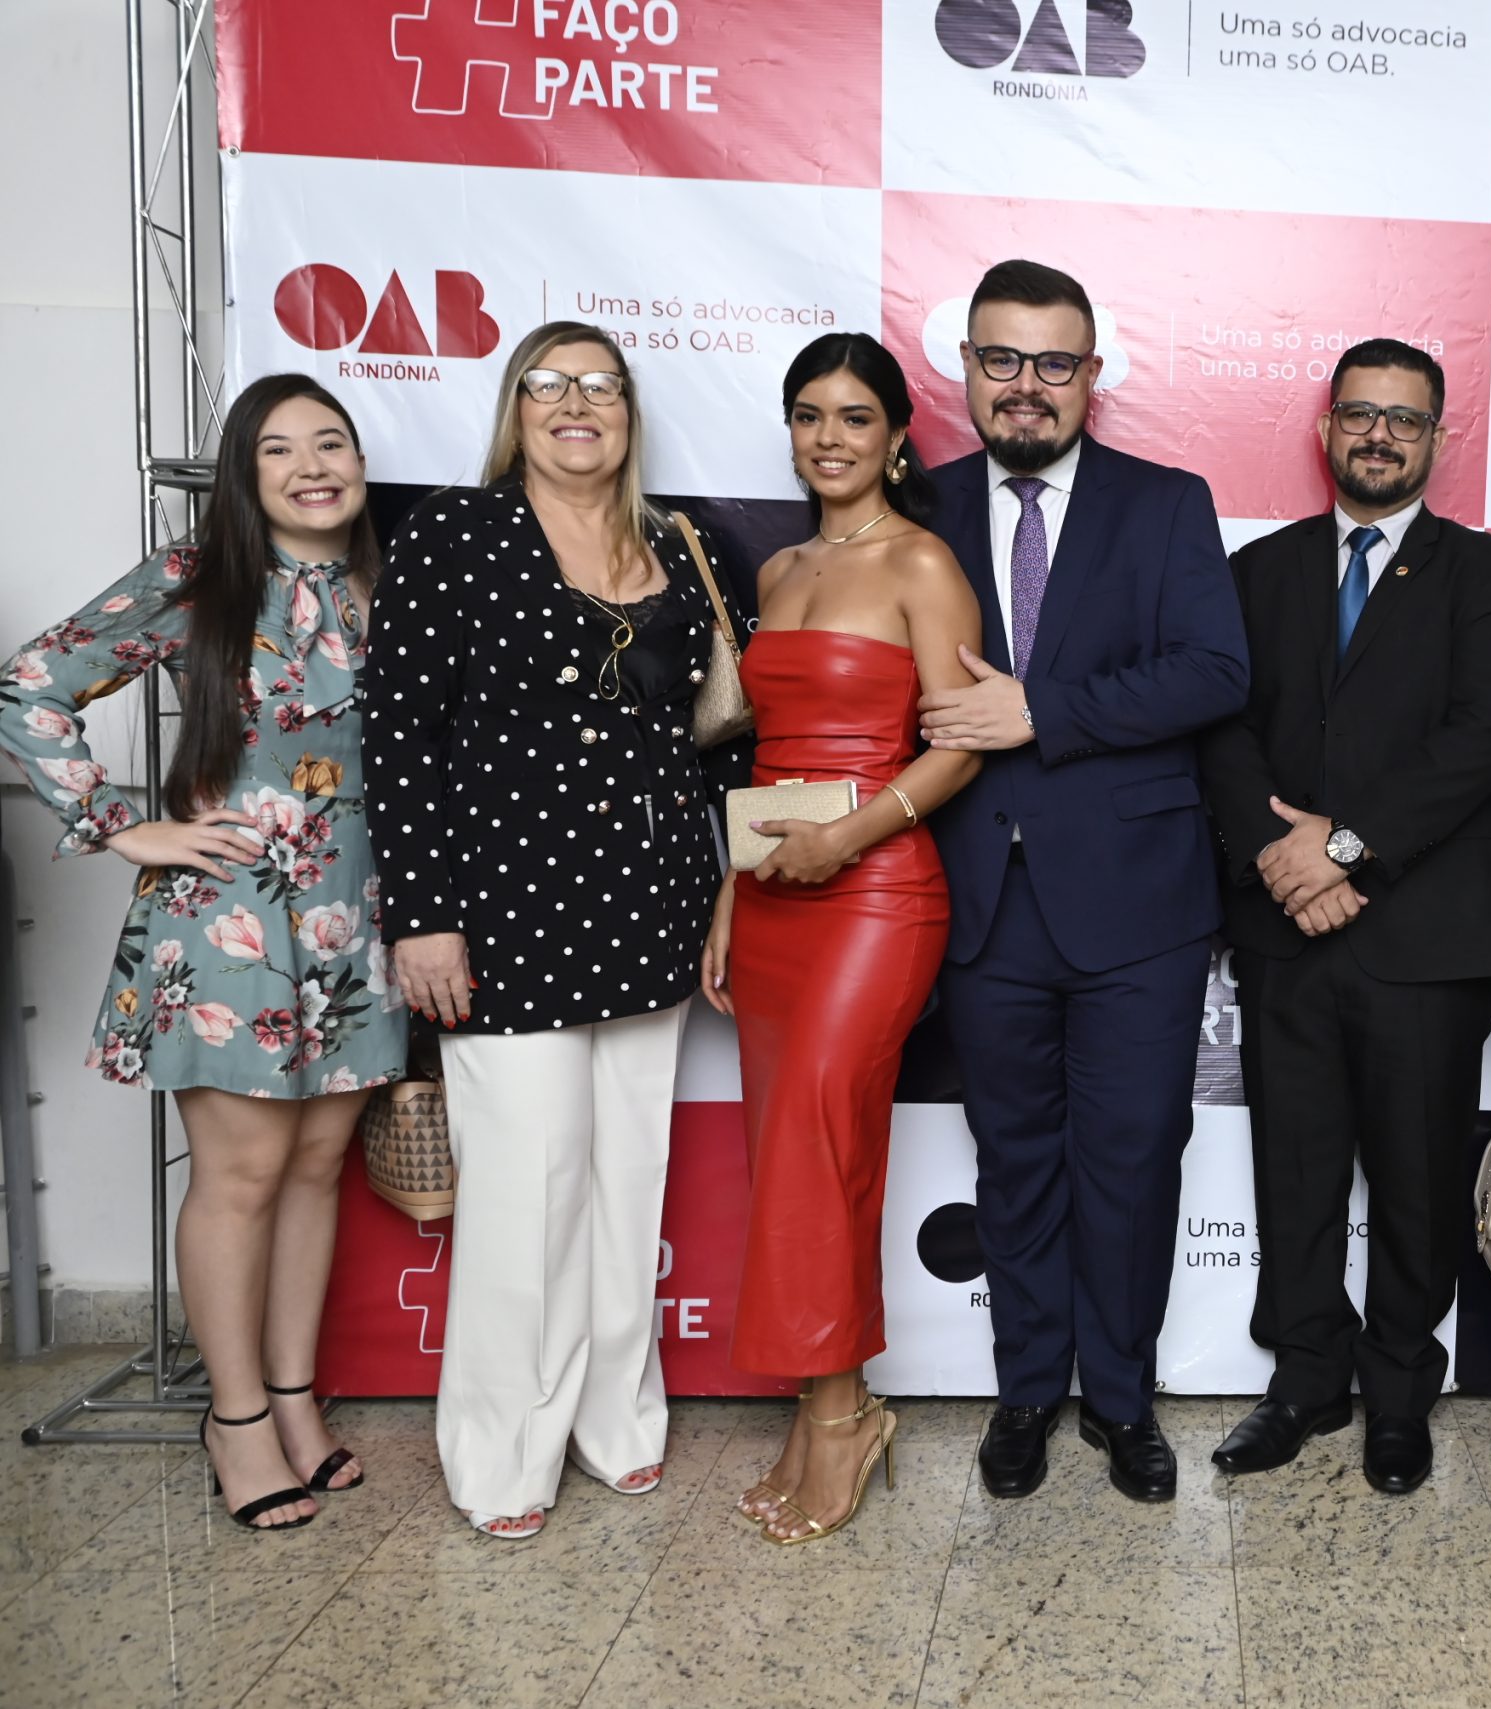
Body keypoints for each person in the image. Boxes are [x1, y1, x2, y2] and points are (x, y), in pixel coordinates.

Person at [0, 373, 401, 1529]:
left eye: (331, 441)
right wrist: (123, 823)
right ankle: (235, 1419)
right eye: (278, 448)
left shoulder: (391, 582)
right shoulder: (198, 575)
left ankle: (294, 1400)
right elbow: (30, 684)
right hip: (232, 913)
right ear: (244, 472)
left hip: (357, 914)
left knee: (316, 1167)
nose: (311, 465)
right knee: (242, 1175)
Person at [362, 322, 725, 1539]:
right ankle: (501, 1449)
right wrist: (422, 916)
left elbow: (718, 738)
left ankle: (617, 1417)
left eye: (602, 385)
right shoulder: (457, 535)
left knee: (627, 1184)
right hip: (504, 917)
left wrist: (728, 886)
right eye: (550, 383)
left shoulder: (677, 543)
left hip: (652, 906)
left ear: (629, 411)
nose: (579, 403)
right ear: (516, 409)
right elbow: (399, 734)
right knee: (527, 1191)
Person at [918, 259, 1248, 1504]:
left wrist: (1038, 710)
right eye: (1002, 358)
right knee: (1014, 1161)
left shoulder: (1165, 503)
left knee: (1133, 1158)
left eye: (1053, 361)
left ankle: (1120, 1397)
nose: (1027, 384)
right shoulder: (916, 506)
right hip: (978, 896)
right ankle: (1024, 1392)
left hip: (1138, 905)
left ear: (1091, 373)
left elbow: (1214, 673)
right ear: (966, 367)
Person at [1199, 339, 1491, 1494]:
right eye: (1359, 414)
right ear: (1326, 430)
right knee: (1294, 1170)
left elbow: (1484, 737)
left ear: (1437, 437)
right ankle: (1304, 1379)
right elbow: (1223, 731)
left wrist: (1338, 847)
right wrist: (1282, 861)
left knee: (1414, 1178)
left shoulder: (1488, 575)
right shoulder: (1256, 571)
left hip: (1424, 939)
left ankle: (1399, 1391)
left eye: (1403, 418)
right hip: (1284, 929)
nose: (1379, 434)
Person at [704, 333, 983, 1545]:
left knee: (821, 1144)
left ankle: (839, 1418)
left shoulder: (921, 560)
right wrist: (734, 893)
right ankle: (827, 1404)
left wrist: (850, 837)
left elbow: (961, 740)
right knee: (787, 1153)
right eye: (810, 415)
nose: (830, 437)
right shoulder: (777, 570)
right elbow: (765, 759)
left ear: (897, 438)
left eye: (855, 417)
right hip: (774, 892)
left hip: (878, 894)